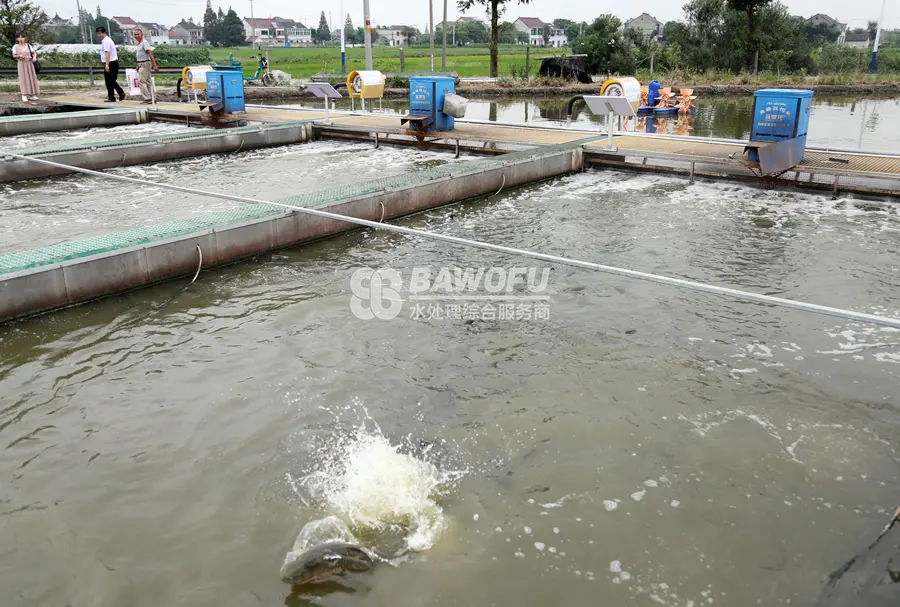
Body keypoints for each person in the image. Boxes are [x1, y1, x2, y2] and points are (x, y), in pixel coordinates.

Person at [96, 26, 124, 102]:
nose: (99, 35)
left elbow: (107, 53)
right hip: (110, 62)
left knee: (111, 81)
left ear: (104, 33)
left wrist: (107, 65)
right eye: (97, 34)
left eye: (100, 33)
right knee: (108, 81)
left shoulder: (106, 41)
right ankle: (111, 97)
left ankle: (121, 92)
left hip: (111, 63)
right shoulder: (105, 41)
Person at [11, 33, 39, 102]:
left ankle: (33, 95)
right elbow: (14, 55)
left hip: (29, 63)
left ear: (24, 38)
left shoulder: (28, 45)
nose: (21, 39)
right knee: (23, 78)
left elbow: (34, 53)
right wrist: (19, 56)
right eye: (19, 37)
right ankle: (24, 95)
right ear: (17, 39)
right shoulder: (15, 46)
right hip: (21, 63)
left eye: (22, 37)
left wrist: (34, 58)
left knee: (31, 78)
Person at [133, 28, 158, 104]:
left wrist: (154, 64)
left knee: (141, 81)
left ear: (142, 35)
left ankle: (148, 98)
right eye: (135, 34)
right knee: (148, 81)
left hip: (145, 64)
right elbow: (141, 55)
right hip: (141, 63)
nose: (136, 36)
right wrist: (138, 65)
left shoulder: (144, 42)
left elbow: (150, 53)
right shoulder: (140, 44)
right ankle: (153, 97)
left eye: (138, 34)